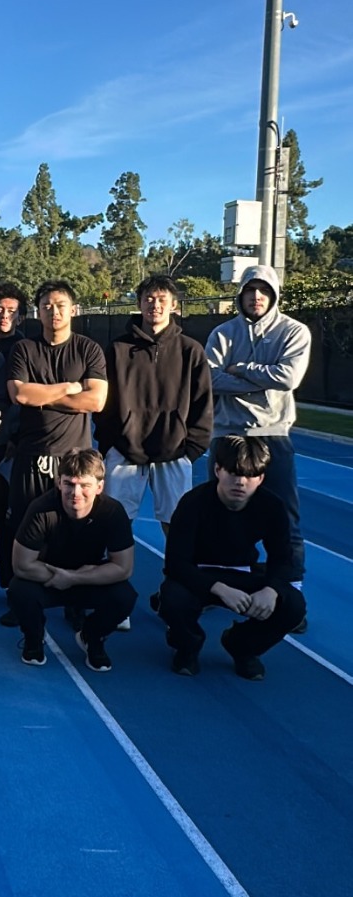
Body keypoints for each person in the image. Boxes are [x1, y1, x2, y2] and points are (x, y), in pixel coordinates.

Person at [159, 435, 305, 680]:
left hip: (244, 572)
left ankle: (243, 647)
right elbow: (175, 563)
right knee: (172, 598)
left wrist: (271, 589)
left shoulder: (272, 506)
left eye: (249, 475)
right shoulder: (193, 503)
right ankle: (188, 646)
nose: (240, 482)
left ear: (260, 478)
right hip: (201, 574)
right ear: (218, 470)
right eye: (233, 473)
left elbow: (283, 558)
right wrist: (220, 589)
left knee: (293, 605)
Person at [205, 264, 311, 595]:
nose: (256, 296)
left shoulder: (294, 332)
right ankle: (224, 585)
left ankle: (290, 587)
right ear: (241, 295)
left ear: (274, 294)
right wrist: (259, 379)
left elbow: (288, 378)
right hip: (228, 435)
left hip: (273, 434)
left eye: (263, 290)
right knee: (221, 514)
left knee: (285, 516)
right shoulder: (222, 334)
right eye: (250, 290)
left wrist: (241, 370)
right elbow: (209, 378)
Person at [5, 279, 108, 571]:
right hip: (31, 456)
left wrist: (42, 396)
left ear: (73, 309)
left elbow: (95, 401)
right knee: (24, 527)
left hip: (74, 458)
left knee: (74, 528)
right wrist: (68, 387)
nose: (54, 312)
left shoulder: (88, 349)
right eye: (46, 306)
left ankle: (75, 595)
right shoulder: (24, 348)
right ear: (38, 312)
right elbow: (20, 394)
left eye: (60, 305)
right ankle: (22, 591)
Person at [98, 275, 213, 532]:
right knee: (114, 525)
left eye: (162, 299)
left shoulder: (191, 351)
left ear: (173, 305)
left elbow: (202, 404)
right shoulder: (117, 349)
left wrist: (190, 450)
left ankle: (175, 573)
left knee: (177, 526)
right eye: (148, 299)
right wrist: (110, 444)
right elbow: (105, 402)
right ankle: (115, 574)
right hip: (124, 451)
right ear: (139, 304)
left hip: (174, 453)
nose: (155, 305)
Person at [7, 448, 136, 672]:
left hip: (85, 579)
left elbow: (123, 568)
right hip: (49, 579)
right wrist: (61, 577)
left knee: (125, 596)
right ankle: (34, 638)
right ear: (58, 482)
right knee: (19, 590)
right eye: (69, 483)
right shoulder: (41, 509)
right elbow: (21, 565)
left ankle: (91, 637)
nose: (76, 492)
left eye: (84, 485)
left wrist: (74, 578)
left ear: (99, 486)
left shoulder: (113, 512)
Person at [0, 281, 28, 590]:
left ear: (20, 317)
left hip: (13, 448)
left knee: (11, 520)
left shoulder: (27, 350)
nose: (4, 315)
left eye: (11, 311)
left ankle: (14, 588)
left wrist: (16, 438)